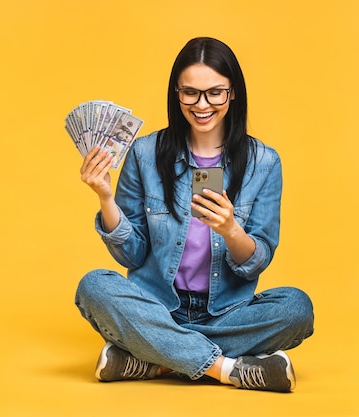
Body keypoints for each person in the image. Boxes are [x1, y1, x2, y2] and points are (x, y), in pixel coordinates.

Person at [75, 37, 314, 393]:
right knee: (93, 285)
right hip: (157, 306)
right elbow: (132, 254)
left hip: (227, 313)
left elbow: (256, 262)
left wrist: (231, 229)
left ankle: (154, 359)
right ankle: (227, 369)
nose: (202, 105)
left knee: (296, 307)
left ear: (233, 93)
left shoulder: (264, 163)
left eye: (215, 92)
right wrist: (105, 197)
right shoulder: (144, 154)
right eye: (191, 93)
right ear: (177, 93)